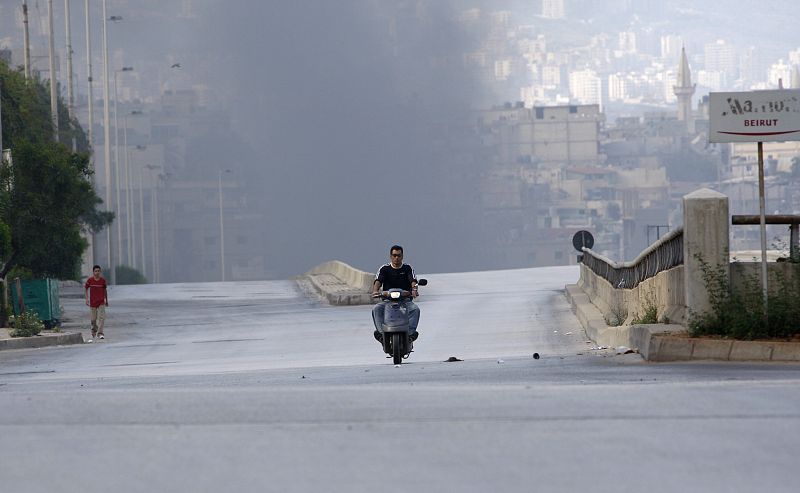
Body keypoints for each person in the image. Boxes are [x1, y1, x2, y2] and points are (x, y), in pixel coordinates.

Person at [371, 245, 420, 343]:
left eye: (399, 255)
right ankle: (381, 334)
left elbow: (413, 280)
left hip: (405, 300)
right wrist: (375, 290)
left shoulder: (407, 268)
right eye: (394, 255)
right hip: (387, 300)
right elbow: (378, 280)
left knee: (415, 309)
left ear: (402, 256)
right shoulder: (384, 268)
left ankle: (410, 334)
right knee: (376, 309)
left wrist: (414, 289)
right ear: (390, 256)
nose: (396, 258)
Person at [84, 265, 109, 342]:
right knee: (93, 319)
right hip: (93, 302)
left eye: (98, 271)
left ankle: (100, 333)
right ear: (93, 272)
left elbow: (105, 291)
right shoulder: (90, 280)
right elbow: (86, 288)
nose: (97, 272)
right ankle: (93, 331)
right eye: (96, 271)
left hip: (101, 302)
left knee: (101, 318)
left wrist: (106, 300)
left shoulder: (103, 281)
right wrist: (87, 299)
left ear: (100, 272)